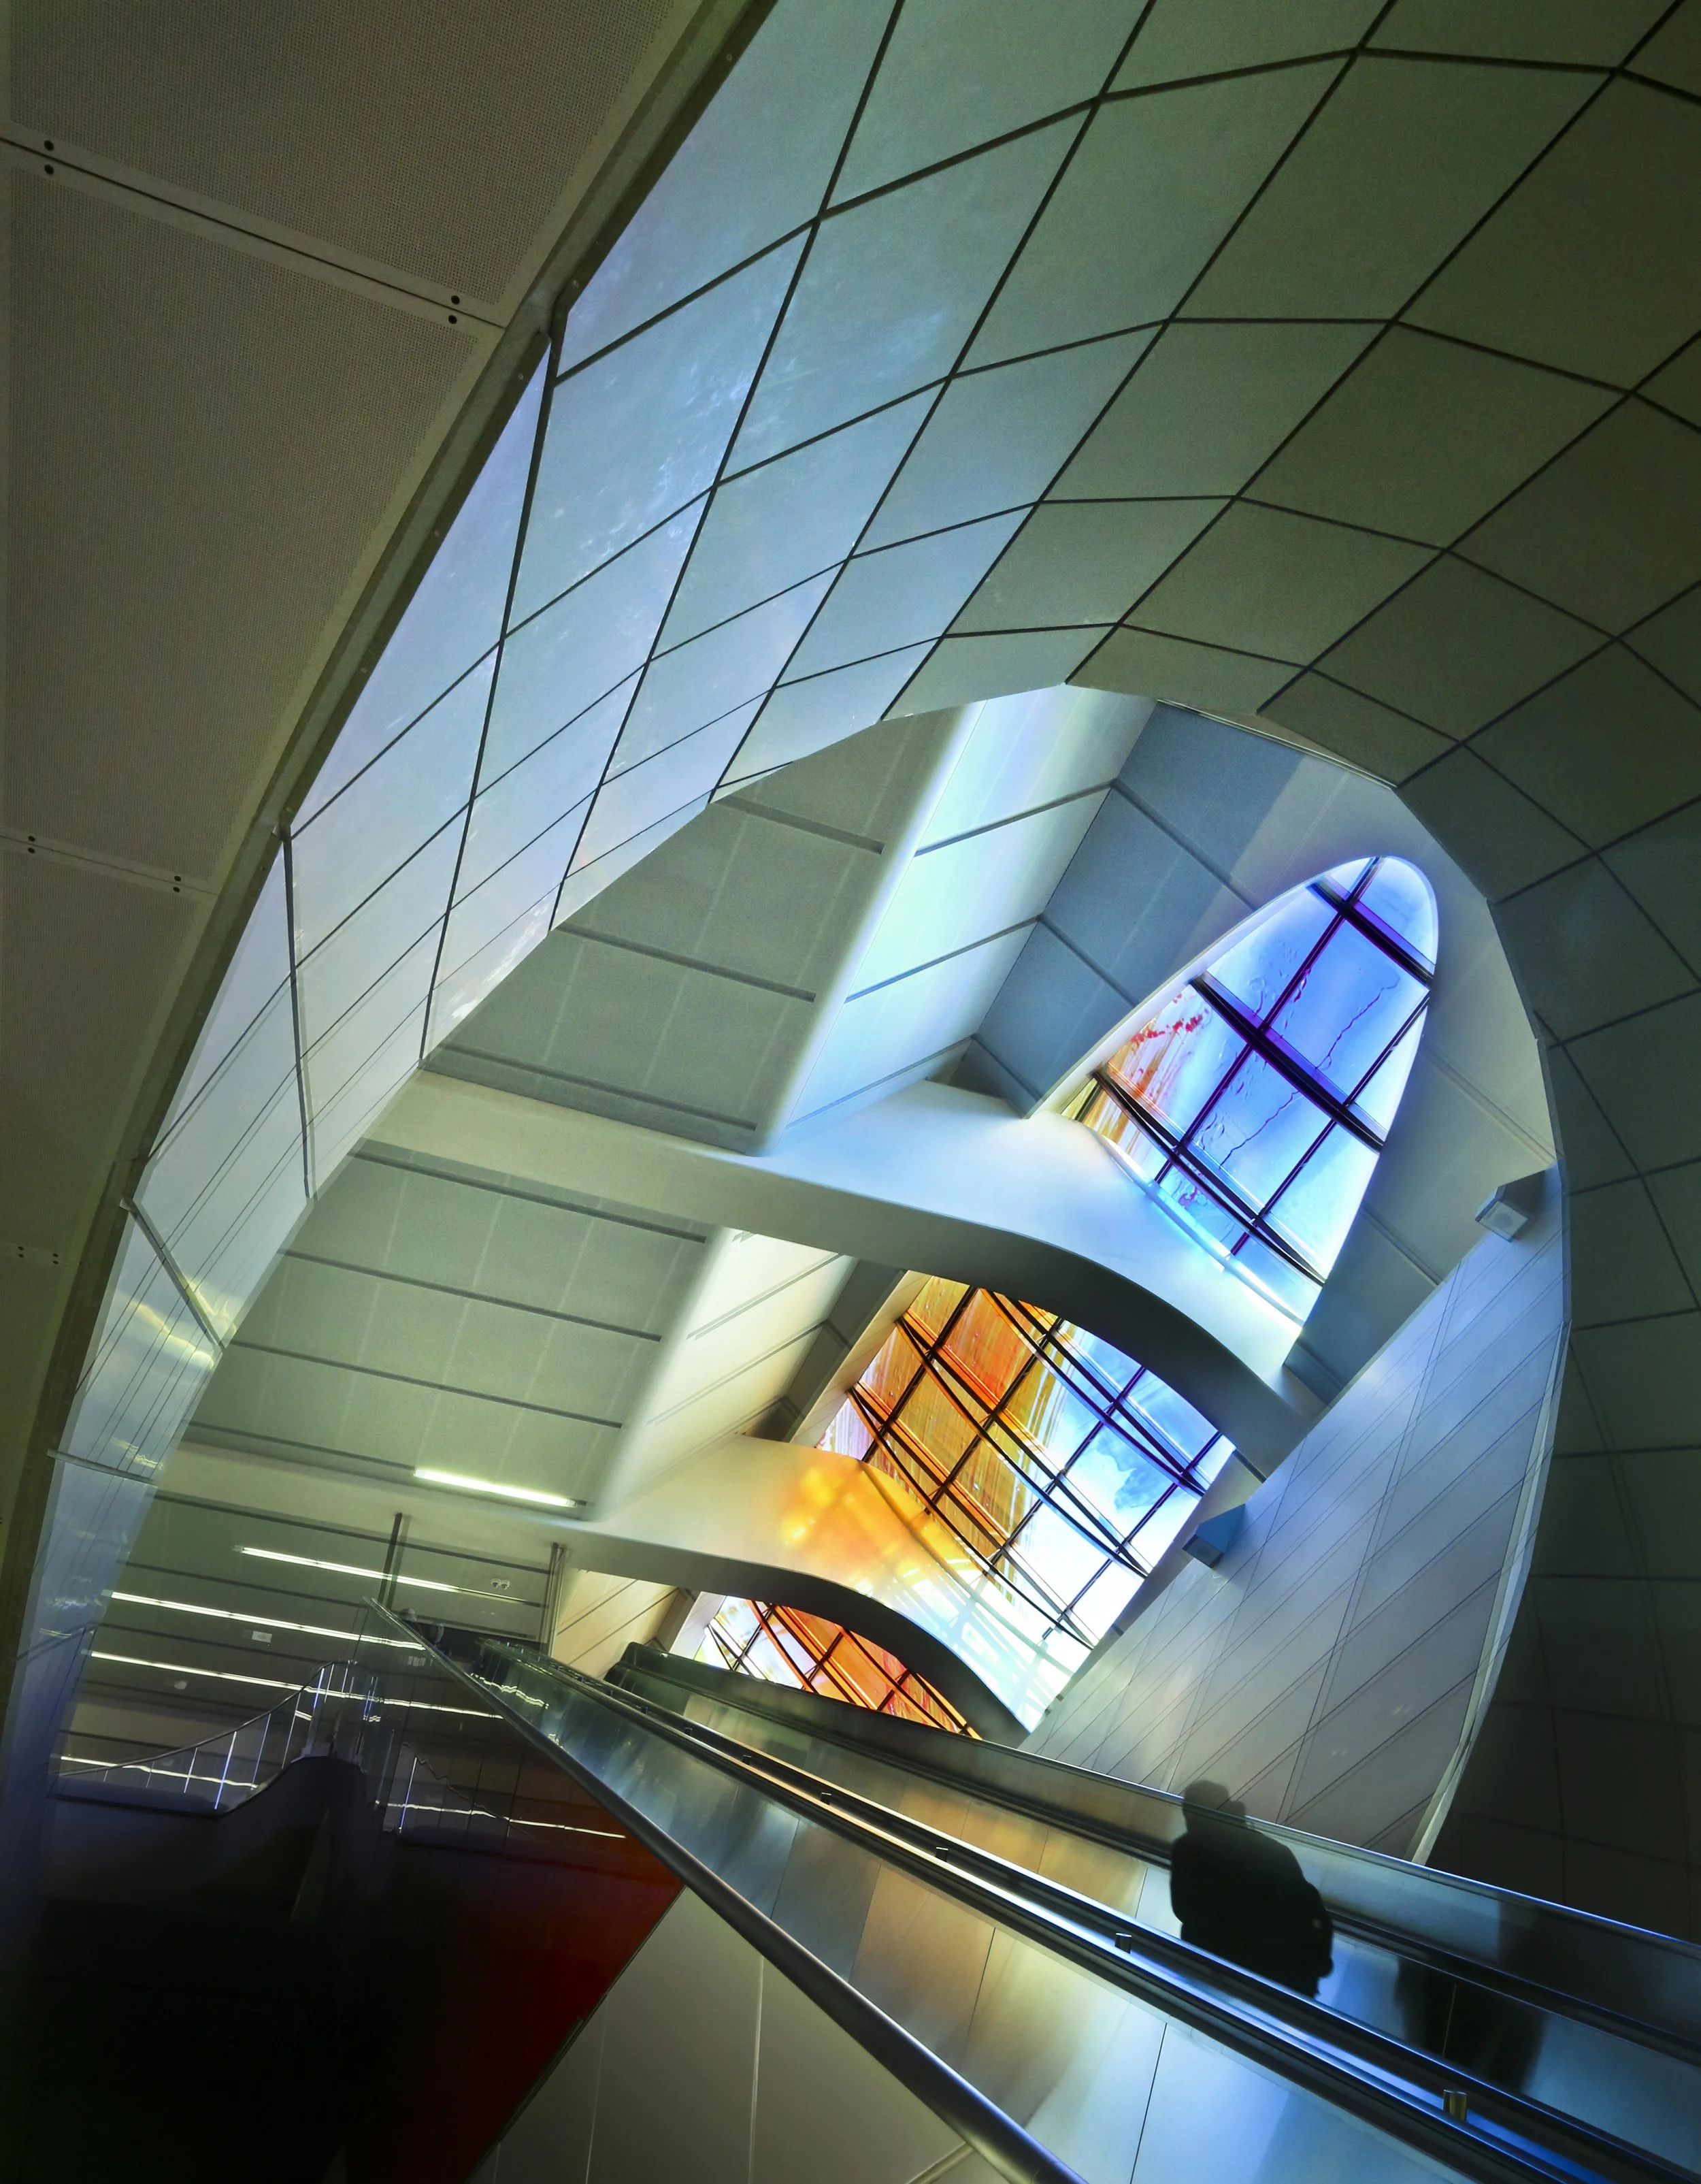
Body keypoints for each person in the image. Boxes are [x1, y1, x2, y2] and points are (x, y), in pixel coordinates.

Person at [1170, 1779, 1334, 1997]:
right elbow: (1304, 1902)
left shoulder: (1188, 1849)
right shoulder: (1271, 1849)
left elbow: (1184, 1909)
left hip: (1226, 1971)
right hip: (1284, 1974)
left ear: (1191, 1814)